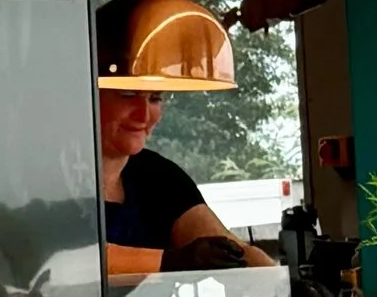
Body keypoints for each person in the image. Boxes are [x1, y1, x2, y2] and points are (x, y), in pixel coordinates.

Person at [95, 72, 268, 279]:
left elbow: (230, 249)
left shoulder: (157, 175)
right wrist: (171, 261)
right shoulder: (54, 178)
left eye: (155, 98)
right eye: (128, 94)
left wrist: (282, 285)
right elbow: (65, 261)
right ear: (87, 98)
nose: (143, 115)